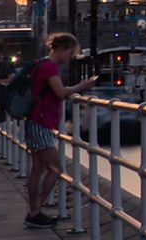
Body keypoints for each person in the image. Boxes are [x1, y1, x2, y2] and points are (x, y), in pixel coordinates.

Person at [23, 33, 100, 229]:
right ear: (62, 49)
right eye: (70, 52)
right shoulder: (50, 67)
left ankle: (34, 212)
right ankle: (35, 211)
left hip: (35, 121)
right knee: (56, 168)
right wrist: (83, 86)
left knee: (38, 169)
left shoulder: (41, 64)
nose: (70, 57)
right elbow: (61, 92)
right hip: (41, 123)